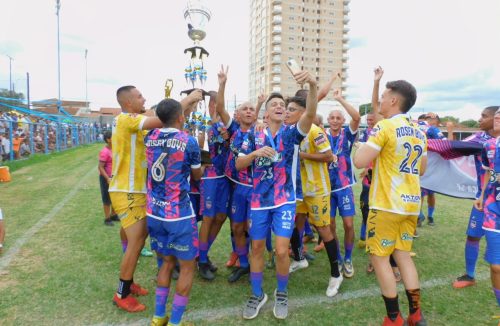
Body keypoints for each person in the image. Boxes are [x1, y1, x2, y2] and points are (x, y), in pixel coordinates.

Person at [109, 85, 202, 312]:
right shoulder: (125, 119)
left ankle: (128, 283)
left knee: (135, 237)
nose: (144, 99)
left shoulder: (137, 119)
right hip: (127, 190)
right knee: (137, 239)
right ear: (128, 103)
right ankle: (121, 293)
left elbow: (169, 119)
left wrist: (187, 106)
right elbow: (165, 117)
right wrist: (188, 98)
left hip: (138, 190)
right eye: (139, 96)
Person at [237, 70, 317, 320]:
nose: (280, 107)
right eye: (275, 105)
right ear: (266, 113)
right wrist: (254, 154)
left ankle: (281, 293)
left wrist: (312, 85)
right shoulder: (253, 135)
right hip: (259, 202)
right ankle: (257, 294)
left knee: (282, 251)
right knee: (257, 248)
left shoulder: (292, 133)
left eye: (283, 105)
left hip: (284, 200)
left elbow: (311, 114)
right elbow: (239, 164)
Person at [354, 79, 427, 325]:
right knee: (403, 256)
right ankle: (416, 314)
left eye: (384, 96)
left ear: (394, 100)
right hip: (411, 205)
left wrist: (362, 144)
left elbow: (360, 161)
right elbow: (422, 169)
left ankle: (393, 318)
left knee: (380, 259)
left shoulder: (384, 127)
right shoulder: (419, 131)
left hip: (386, 205)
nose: (381, 100)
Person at [145, 98, 204, 326]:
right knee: (187, 266)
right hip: (178, 214)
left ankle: (158, 317)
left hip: (154, 212)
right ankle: (175, 322)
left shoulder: (150, 137)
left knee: (166, 263)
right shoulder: (188, 142)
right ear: (181, 117)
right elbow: (197, 176)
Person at [284, 95, 343, 297]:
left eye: (291, 109)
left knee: (324, 230)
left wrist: (302, 155)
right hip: (297, 190)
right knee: (294, 223)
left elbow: (328, 156)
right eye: (286, 109)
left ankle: (336, 274)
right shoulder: (290, 132)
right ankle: (300, 259)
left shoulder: (315, 131)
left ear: (303, 113)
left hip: (317, 189)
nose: (287, 112)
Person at [215, 65, 261, 283]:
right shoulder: (233, 129)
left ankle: (255, 264)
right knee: (236, 226)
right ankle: (243, 264)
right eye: (245, 109)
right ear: (238, 114)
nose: (249, 111)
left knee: (255, 229)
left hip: (258, 188)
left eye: (252, 109)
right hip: (238, 187)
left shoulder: (260, 130)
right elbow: (221, 107)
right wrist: (223, 83)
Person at [453, 106, 500, 289]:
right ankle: (470, 275)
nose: (480, 119)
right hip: (485, 201)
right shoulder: (483, 142)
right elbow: (455, 147)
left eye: (484, 116)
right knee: (473, 236)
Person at [325, 88, 361, 278]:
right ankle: (338, 257)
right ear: (328, 120)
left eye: (339, 117)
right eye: (332, 117)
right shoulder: (322, 135)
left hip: (344, 186)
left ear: (343, 121)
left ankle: (348, 258)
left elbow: (357, 117)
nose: (336, 120)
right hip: (326, 188)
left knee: (348, 224)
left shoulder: (348, 135)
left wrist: (340, 100)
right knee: (330, 226)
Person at [474, 108, 500, 308]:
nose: (498, 118)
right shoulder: (488, 145)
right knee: (496, 266)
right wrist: (482, 195)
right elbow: (488, 173)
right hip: (493, 209)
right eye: (497, 115)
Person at [98, 131, 117, 226]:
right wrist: (107, 178)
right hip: (106, 178)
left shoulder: (115, 149)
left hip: (114, 178)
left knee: (114, 197)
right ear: (109, 139)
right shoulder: (104, 152)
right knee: (107, 199)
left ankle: (113, 215)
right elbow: (100, 167)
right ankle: (107, 218)